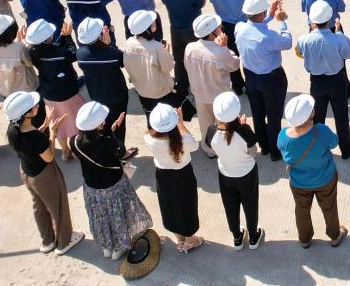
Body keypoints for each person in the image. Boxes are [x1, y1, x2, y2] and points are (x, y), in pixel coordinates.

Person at [4, 90, 84, 255]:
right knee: (58, 207)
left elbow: (32, 144)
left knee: (39, 207)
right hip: (44, 176)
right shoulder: (35, 138)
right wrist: (52, 133)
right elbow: (48, 157)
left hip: (27, 173)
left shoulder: (14, 130)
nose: (37, 106)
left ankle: (47, 240)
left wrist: (44, 127)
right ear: (26, 114)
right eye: (33, 106)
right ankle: (64, 241)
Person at [70, 101, 152, 261]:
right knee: (118, 217)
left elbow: (94, 145)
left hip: (92, 188)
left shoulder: (74, 141)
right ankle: (119, 247)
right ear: (98, 125)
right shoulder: (109, 144)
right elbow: (120, 152)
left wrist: (110, 130)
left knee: (102, 218)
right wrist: (116, 132)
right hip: (113, 186)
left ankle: (107, 247)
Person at [278, 94, 348, 249]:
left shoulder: (283, 136)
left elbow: (283, 151)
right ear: (311, 115)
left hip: (299, 183)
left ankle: (304, 239)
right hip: (325, 179)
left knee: (302, 209)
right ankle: (334, 235)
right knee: (329, 207)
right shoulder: (321, 131)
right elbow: (334, 142)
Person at [235, 0, 292, 159]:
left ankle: (264, 146)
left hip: (251, 78)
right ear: (261, 13)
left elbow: (255, 25)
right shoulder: (269, 37)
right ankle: (275, 152)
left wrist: (269, 15)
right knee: (274, 116)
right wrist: (281, 20)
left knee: (257, 114)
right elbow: (287, 42)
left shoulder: (239, 28)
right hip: (272, 80)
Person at [296, 0, 350, 157]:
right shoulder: (339, 39)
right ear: (329, 19)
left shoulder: (304, 39)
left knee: (317, 118)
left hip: (317, 82)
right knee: (341, 117)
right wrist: (339, 33)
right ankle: (345, 148)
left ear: (312, 21)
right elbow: (349, 53)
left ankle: (319, 149)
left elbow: (299, 53)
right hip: (337, 82)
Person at [145, 103, 203, 253]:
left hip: (162, 175)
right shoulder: (183, 141)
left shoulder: (149, 139)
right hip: (183, 175)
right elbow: (195, 145)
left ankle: (180, 239)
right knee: (187, 206)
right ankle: (190, 240)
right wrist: (181, 124)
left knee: (169, 205)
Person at [210, 92, 265, 250]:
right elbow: (253, 152)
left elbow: (213, 148)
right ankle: (253, 237)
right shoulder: (244, 130)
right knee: (250, 205)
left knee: (230, 207)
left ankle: (237, 238)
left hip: (226, 175)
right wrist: (242, 127)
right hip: (247, 174)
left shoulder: (210, 131)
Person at [24, 19, 83, 160]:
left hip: (48, 93)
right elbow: (72, 53)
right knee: (77, 120)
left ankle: (65, 151)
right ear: (48, 38)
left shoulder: (32, 51)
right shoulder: (60, 53)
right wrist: (68, 37)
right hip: (67, 93)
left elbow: (51, 49)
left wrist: (62, 37)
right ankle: (80, 149)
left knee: (58, 123)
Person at [75, 17, 135, 156]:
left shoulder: (80, 54)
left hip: (97, 95)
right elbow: (123, 60)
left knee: (103, 124)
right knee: (118, 125)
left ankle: (107, 150)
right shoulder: (111, 53)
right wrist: (109, 44)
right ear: (100, 35)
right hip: (117, 96)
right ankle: (120, 152)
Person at [185, 13, 242, 154]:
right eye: (218, 27)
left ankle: (209, 149)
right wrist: (225, 47)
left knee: (205, 124)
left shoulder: (190, 48)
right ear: (212, 33)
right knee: (224, 125)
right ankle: (225, 149)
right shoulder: (220, 51)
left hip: (199, 94)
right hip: (219, 96)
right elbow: (235, 65)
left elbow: (187, 66)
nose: (221, 28)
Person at [158, 0, 207, 96]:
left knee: (179, 60)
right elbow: (202, 2)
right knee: (195, 58)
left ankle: (182, 86)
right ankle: (198, 85)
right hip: (192, 31)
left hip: (175, 30)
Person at [206, 0, 249, 93]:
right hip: (241, 28)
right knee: (246, 58)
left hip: (222, 27)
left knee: (230, 57)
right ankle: (250, 85)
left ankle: (237, 86)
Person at [121, 10, 176, 115]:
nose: (155, 23)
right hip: (161, 93)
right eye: (152, 22)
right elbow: (168, 67)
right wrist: (167, 52)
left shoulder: (129, 43)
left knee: (150, 116)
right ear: (146, 29)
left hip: (142, 92)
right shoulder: (156, 47)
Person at [0, 14, 39, 98]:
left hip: (6, 93)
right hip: (26, 91)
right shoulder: (18, 48)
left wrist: (17, 43)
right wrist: (25, 44)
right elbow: (29, 62)